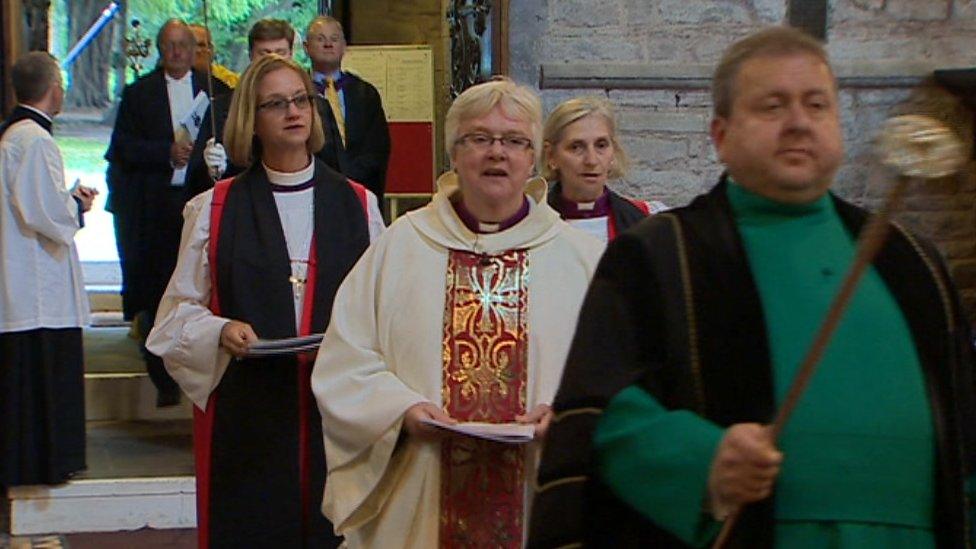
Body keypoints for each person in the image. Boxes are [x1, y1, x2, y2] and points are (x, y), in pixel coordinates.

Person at [529, 26, 976, 548]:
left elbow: (964, 425)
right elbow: (597, 418)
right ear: (721, 135)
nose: (798, 123)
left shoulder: (911, 261)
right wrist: (703, 463)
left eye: (817, 105)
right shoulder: (659, 254)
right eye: (772, 106)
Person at [311, 77, 603, 547]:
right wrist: (400, 409)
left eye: (513, 141)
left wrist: (569, 414)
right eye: (479, 138)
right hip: (421, 486)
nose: (497, 153)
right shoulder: (399, 247)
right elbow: (346, 359)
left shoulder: (581, 259)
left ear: (534, 157)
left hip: (537, 488)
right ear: (453, 152)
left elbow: (611, 375)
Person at [146, 54, 384, 549]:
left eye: (301, 100)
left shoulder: (359, 204)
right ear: (250, 120)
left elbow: (385, 311)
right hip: (250, 414)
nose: (294, 112)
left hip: (335, 411)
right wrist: (220, 331)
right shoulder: (214, 208)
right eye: (276, 104)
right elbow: (174, 318)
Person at [105, 19, 220, 406]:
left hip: (201, 202)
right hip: (156, 207)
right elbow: (122, 148)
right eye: (169, 45)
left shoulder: (215, 92)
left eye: (183, 45)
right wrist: (164, 153)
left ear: (194, 49)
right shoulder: (139, 95)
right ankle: (162, 376)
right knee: (157, 292)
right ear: (160, 49)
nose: (177, 52)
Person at [0, 52, 96, 486]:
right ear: (53, 88)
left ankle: (34, 459)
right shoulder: (35, 140)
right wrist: (76, 204)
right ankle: (46, 462)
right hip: (36, 282)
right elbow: (43, 212)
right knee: (43, 375)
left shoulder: (16, 135)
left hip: (24, 275)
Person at [189, 18, 342, 198]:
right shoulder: (221, 108)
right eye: (265, 54)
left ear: (291, 54)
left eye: (280, 53)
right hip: (243, 203)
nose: (272, 61)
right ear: (251, 56)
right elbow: (195, 184)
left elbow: (335, 167)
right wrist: (211, 171)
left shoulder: (317, 105)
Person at [543, 97, 666, 243]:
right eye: (576, 147)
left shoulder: (649, 220)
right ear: (551, 156)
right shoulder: (529, 223)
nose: (591, 161)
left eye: (601, 145)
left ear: (613, 151)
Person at [304, 15, 391, 202]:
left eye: (334, 39)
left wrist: (347, 179)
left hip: (359, 189)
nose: (328, 44)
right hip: (311, 189)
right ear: (306, 47)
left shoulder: (364, 94)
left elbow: (377, 148)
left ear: (344, 47)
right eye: (320, 39)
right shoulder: (298, 93)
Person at [189, 23, 239, 89]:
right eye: (190, 45)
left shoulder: (230, 81)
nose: (197, 50)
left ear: (211, 49)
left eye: (201, 45)